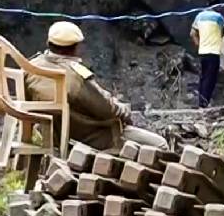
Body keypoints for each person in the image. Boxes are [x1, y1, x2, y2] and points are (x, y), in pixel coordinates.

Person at [26, 21, 167, 151]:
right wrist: (124, 110)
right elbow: (107, 109)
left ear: (49, 42)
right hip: (92, 138)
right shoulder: (76, 76)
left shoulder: (31, 67)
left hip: (52, 135)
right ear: (75, 48)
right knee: (161, 144)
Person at [189, 6, 224, 107]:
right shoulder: (218, 17)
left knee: (203, 77)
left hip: (202, 51)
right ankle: (204, 102)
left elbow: (192, 33)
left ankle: (201, 101)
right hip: (214, 51)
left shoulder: (199, 16)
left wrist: (199, 44)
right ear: (217, 5)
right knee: (211, 78)